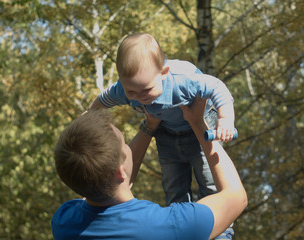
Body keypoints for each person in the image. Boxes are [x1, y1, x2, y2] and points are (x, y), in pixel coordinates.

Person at [52, 99, 247, 239]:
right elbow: (237, 196)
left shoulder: (65, 222)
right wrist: (198, 123)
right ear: (120, 171)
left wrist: (149, 127)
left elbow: (104, 180)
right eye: (124, 144)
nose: (128, 146)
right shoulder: (166, 227)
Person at [88, 33, 235, 211]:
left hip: (201, 127)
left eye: (147, 89)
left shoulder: (181, 80)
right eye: (132, 92)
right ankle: (181, 228)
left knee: (210, 180)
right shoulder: (122, 89)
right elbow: (103, 100)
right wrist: (88, 116)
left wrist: (226, 119)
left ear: (163, 73)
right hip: (166, 133)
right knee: (173, 186)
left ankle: (220, 233)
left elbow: (216, 87)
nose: (140, 97)